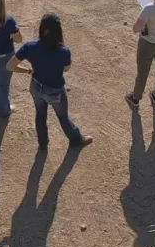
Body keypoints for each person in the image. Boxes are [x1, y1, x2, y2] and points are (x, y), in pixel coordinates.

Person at [7, 13, 93, 151]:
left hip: (36, 86)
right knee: (63, 117)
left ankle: (43, 144)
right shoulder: (64, 51)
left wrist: (28, 71)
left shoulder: (30, 47)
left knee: (40, 115)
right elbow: (67, 68)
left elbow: (10, 66)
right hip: (56, 90)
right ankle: (76, 139)